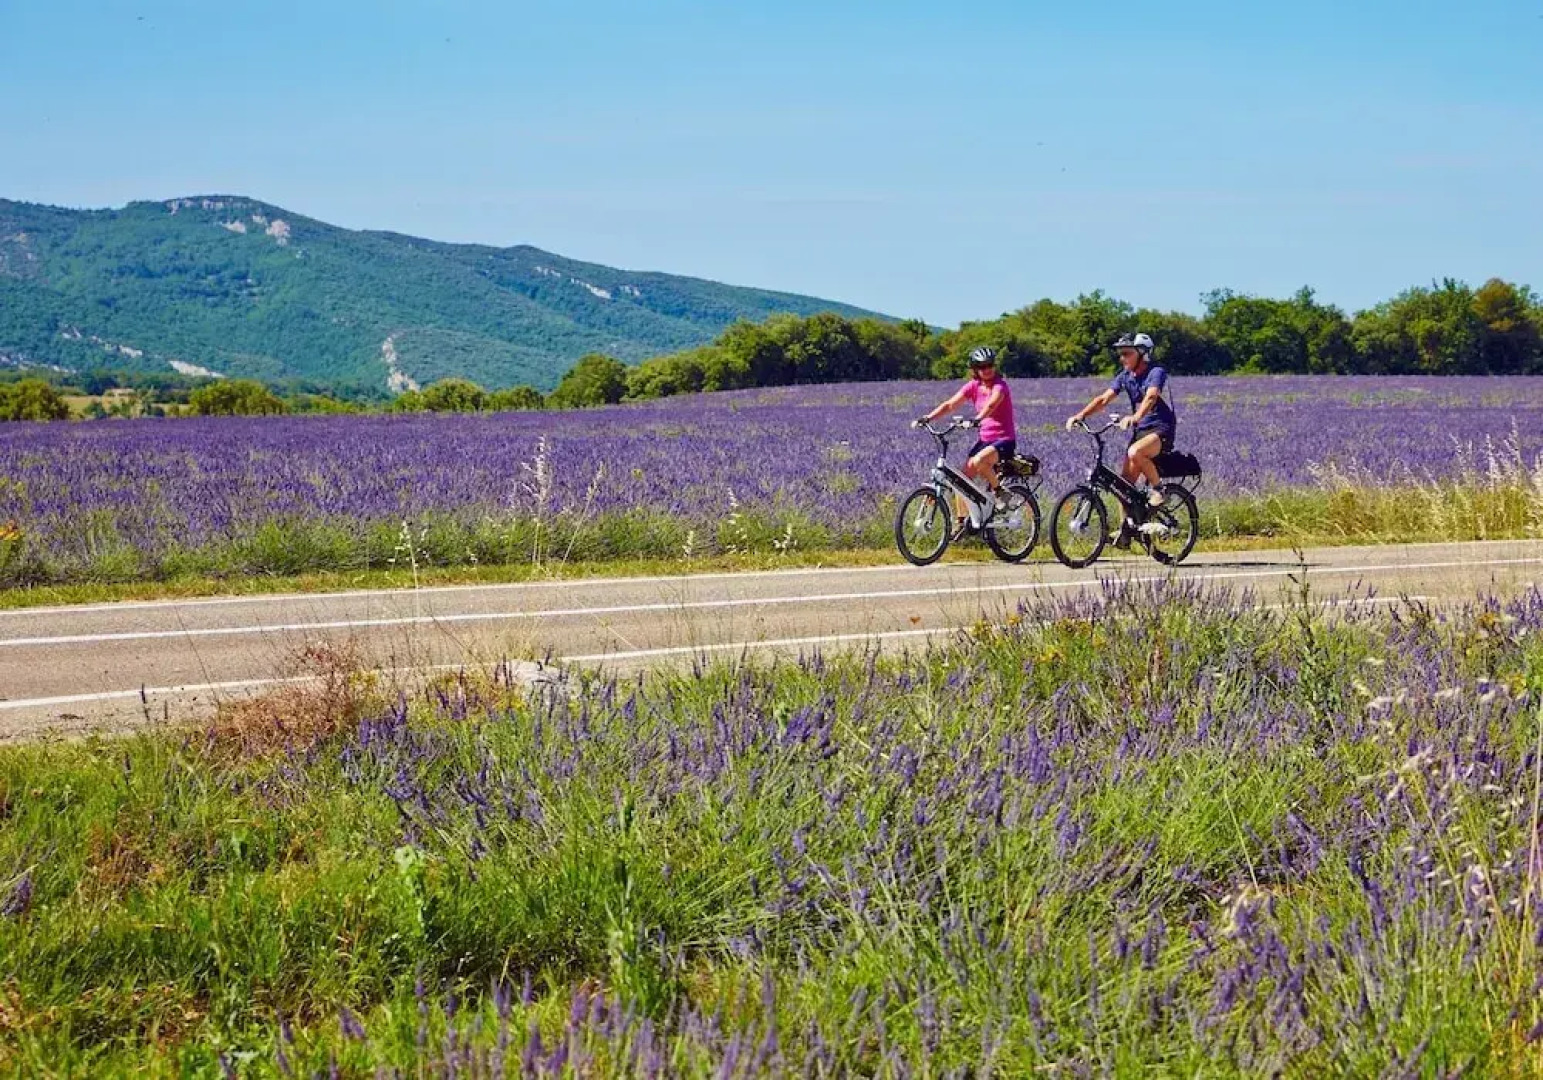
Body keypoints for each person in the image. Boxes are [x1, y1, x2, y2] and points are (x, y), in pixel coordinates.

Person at [1064, 332, 1177, 544]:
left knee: (1136, 452)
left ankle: (1159, 490)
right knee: (1123, 486)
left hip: (1161, 429)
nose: (1122, 358)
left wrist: (1135, 416)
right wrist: (1080, 415)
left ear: (1142, 353)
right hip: (1141, 429)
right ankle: (1126, 531)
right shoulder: (1125, 376)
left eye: (1126, 353)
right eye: (1120, 354)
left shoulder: (1156, 372)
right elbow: (1104, 399)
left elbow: (1151, 396)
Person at [913, 346, 1016, 534]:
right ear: (975, 369)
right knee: (961, 479)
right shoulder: (973, 386)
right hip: (985, 441)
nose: (987, 369)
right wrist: (928, 418)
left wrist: (977, 419)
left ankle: (1000, 492)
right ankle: (961, 523)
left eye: (990, 365)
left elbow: (992, 405)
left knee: (978, 461)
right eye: (982, 366)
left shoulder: (1000, 386)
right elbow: (950, 404)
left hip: (1004, 440)